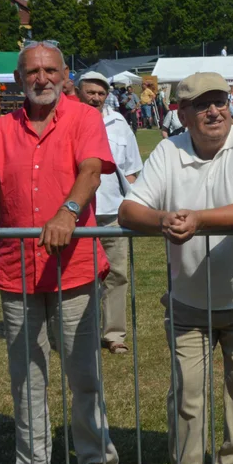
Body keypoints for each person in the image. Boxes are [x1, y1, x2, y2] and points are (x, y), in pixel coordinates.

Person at [0, 41, 120, 464]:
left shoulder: (84, 117)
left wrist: (68, 211)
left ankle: (95, 462)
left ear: (65, 74)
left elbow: (90, 171)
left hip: (75, 269)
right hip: (17, 272)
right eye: (32, 71)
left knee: (83, 374)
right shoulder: (2, 129)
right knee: (27, 376)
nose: (42, 78)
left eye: (50, 70)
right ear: (18, 79)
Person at [117, 71, 233, 464]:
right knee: (187, 394)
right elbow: (129, 212)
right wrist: (162, 218)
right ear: (182, 113)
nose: (214, 111)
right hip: (188, 302)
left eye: (220, 100)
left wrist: (198, 219)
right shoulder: (168, 151)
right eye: (202, 104)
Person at [78, 71, 143, 355]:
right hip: (77, 214)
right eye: (90, 92)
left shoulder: (119, 124)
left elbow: (131, 170)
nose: (95, 98)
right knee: (78, 277)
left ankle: (114, 334)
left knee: (117, 275)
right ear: (79, 92)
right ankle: (79, 333)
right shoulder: (67, 120)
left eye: (100, 93)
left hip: (112, 211)